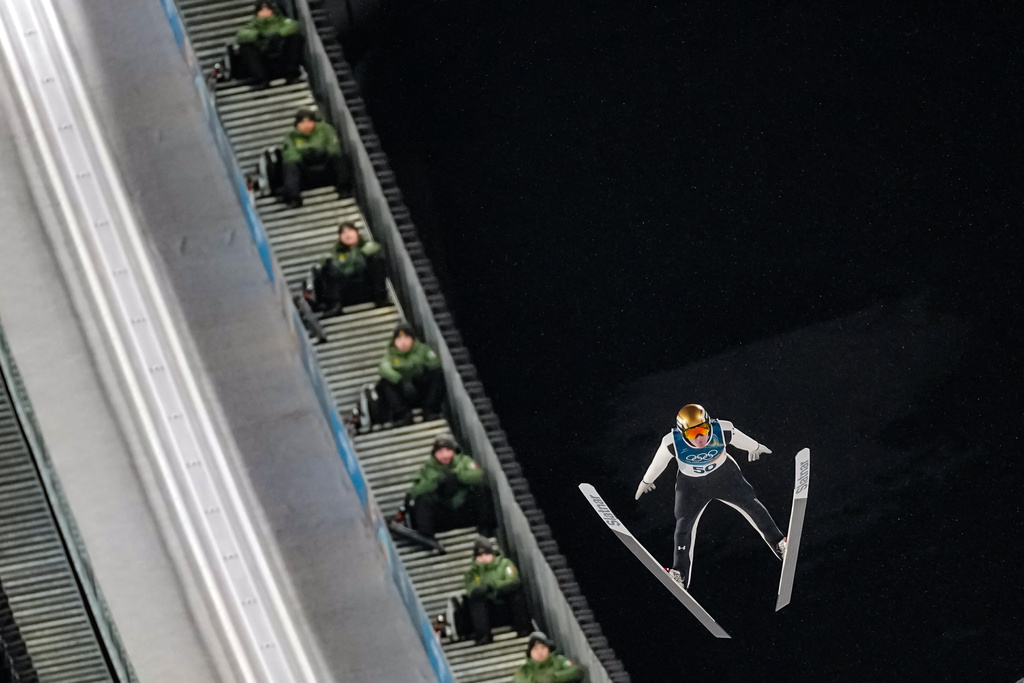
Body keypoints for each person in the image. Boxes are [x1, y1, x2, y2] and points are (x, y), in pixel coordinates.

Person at [635, 403, 785, 589]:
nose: (700, 438)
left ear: (709, 424)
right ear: (682, 433)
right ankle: (679, 574)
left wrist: (755, 447)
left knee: (752, 506)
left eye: (703, 429)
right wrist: (646, 481)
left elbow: (741, 439)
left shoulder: (722, 429)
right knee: (683, 528)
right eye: (692, 433)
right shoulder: (671, 442)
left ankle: (780, 543)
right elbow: (658, 463)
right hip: (692, 487)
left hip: (725, 477)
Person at [407, 434, 495, 539]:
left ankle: (486, 528)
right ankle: (426, 536)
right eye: (440, 452)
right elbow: (416, 491)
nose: (444, 455)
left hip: (463, 511)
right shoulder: (427, 468)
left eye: (448, 451)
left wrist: (458, 477)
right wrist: (436, 483)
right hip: (443, 515)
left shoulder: (463, 461)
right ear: (434, 454)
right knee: (423, 501)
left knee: (482, 489)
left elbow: (478, 475)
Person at [463, 537, 531, 645]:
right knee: (476, 600)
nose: (484, 558)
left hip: (506, 604)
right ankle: (483, 635)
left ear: (492, 554)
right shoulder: (473, 573)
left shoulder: (505, 564)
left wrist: (494, 586)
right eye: (480, 556)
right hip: (488, 610)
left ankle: (523, 628)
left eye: (487, 554)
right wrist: (484, 588)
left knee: (516, 592)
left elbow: (513, 580)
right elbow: (472, 588)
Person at [376, 322, 444, 426]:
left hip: (420, 390)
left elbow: (435, 362)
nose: (403, 342)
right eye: (399, 339)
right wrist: (399, 379)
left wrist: (420, 368)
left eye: (406, 338)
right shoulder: (391, 355)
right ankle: (402, 414)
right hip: (402, 393)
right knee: (384, 383)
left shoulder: (422, 350)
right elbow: (384, 368)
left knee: (436, 375)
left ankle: (430, 411)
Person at [281, 109, 350, 209]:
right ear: (297, 124)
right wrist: (302, 156)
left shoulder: (325, 129)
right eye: (302, 123)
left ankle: (344, 189)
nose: (306, 125)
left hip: (325, 166)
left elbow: (333, 145)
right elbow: (289, 154)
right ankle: (294, 199)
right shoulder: (291, 137)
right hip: (305, 171)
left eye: (309, 122)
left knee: (337, 157)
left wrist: (323, 152)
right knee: (290, 166)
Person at [315, 222, 388, 315]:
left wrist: (357, 252)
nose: (347, 235)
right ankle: (334, 304)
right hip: (345, 292)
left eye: (350, 231)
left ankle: (381, 298)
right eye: (343, 233)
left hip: (366, 288)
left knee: (376, 260)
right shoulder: (335, 253)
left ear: (356, 232)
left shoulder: (368, 247)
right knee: (328, 267)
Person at [234, 1, 302, 88]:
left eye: (267, 9)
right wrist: (258, 36)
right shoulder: (253, 25)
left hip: (282, 61)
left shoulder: (282, 21)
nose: (265, 12)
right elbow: (241, 34)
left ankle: (292, 75)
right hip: (264, 64)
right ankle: (261, 79)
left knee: (295, 38)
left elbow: (293, 25)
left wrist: (279, 34)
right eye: (262, 10)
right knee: (246, 47)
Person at [513, 631, 587, 683]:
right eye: (535, 649)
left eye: (543, 648)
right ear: (530, 653)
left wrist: (554, 677)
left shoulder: (559, 660)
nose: (540, 652)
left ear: (548, 650)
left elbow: (576, 671)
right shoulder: (524, 670)